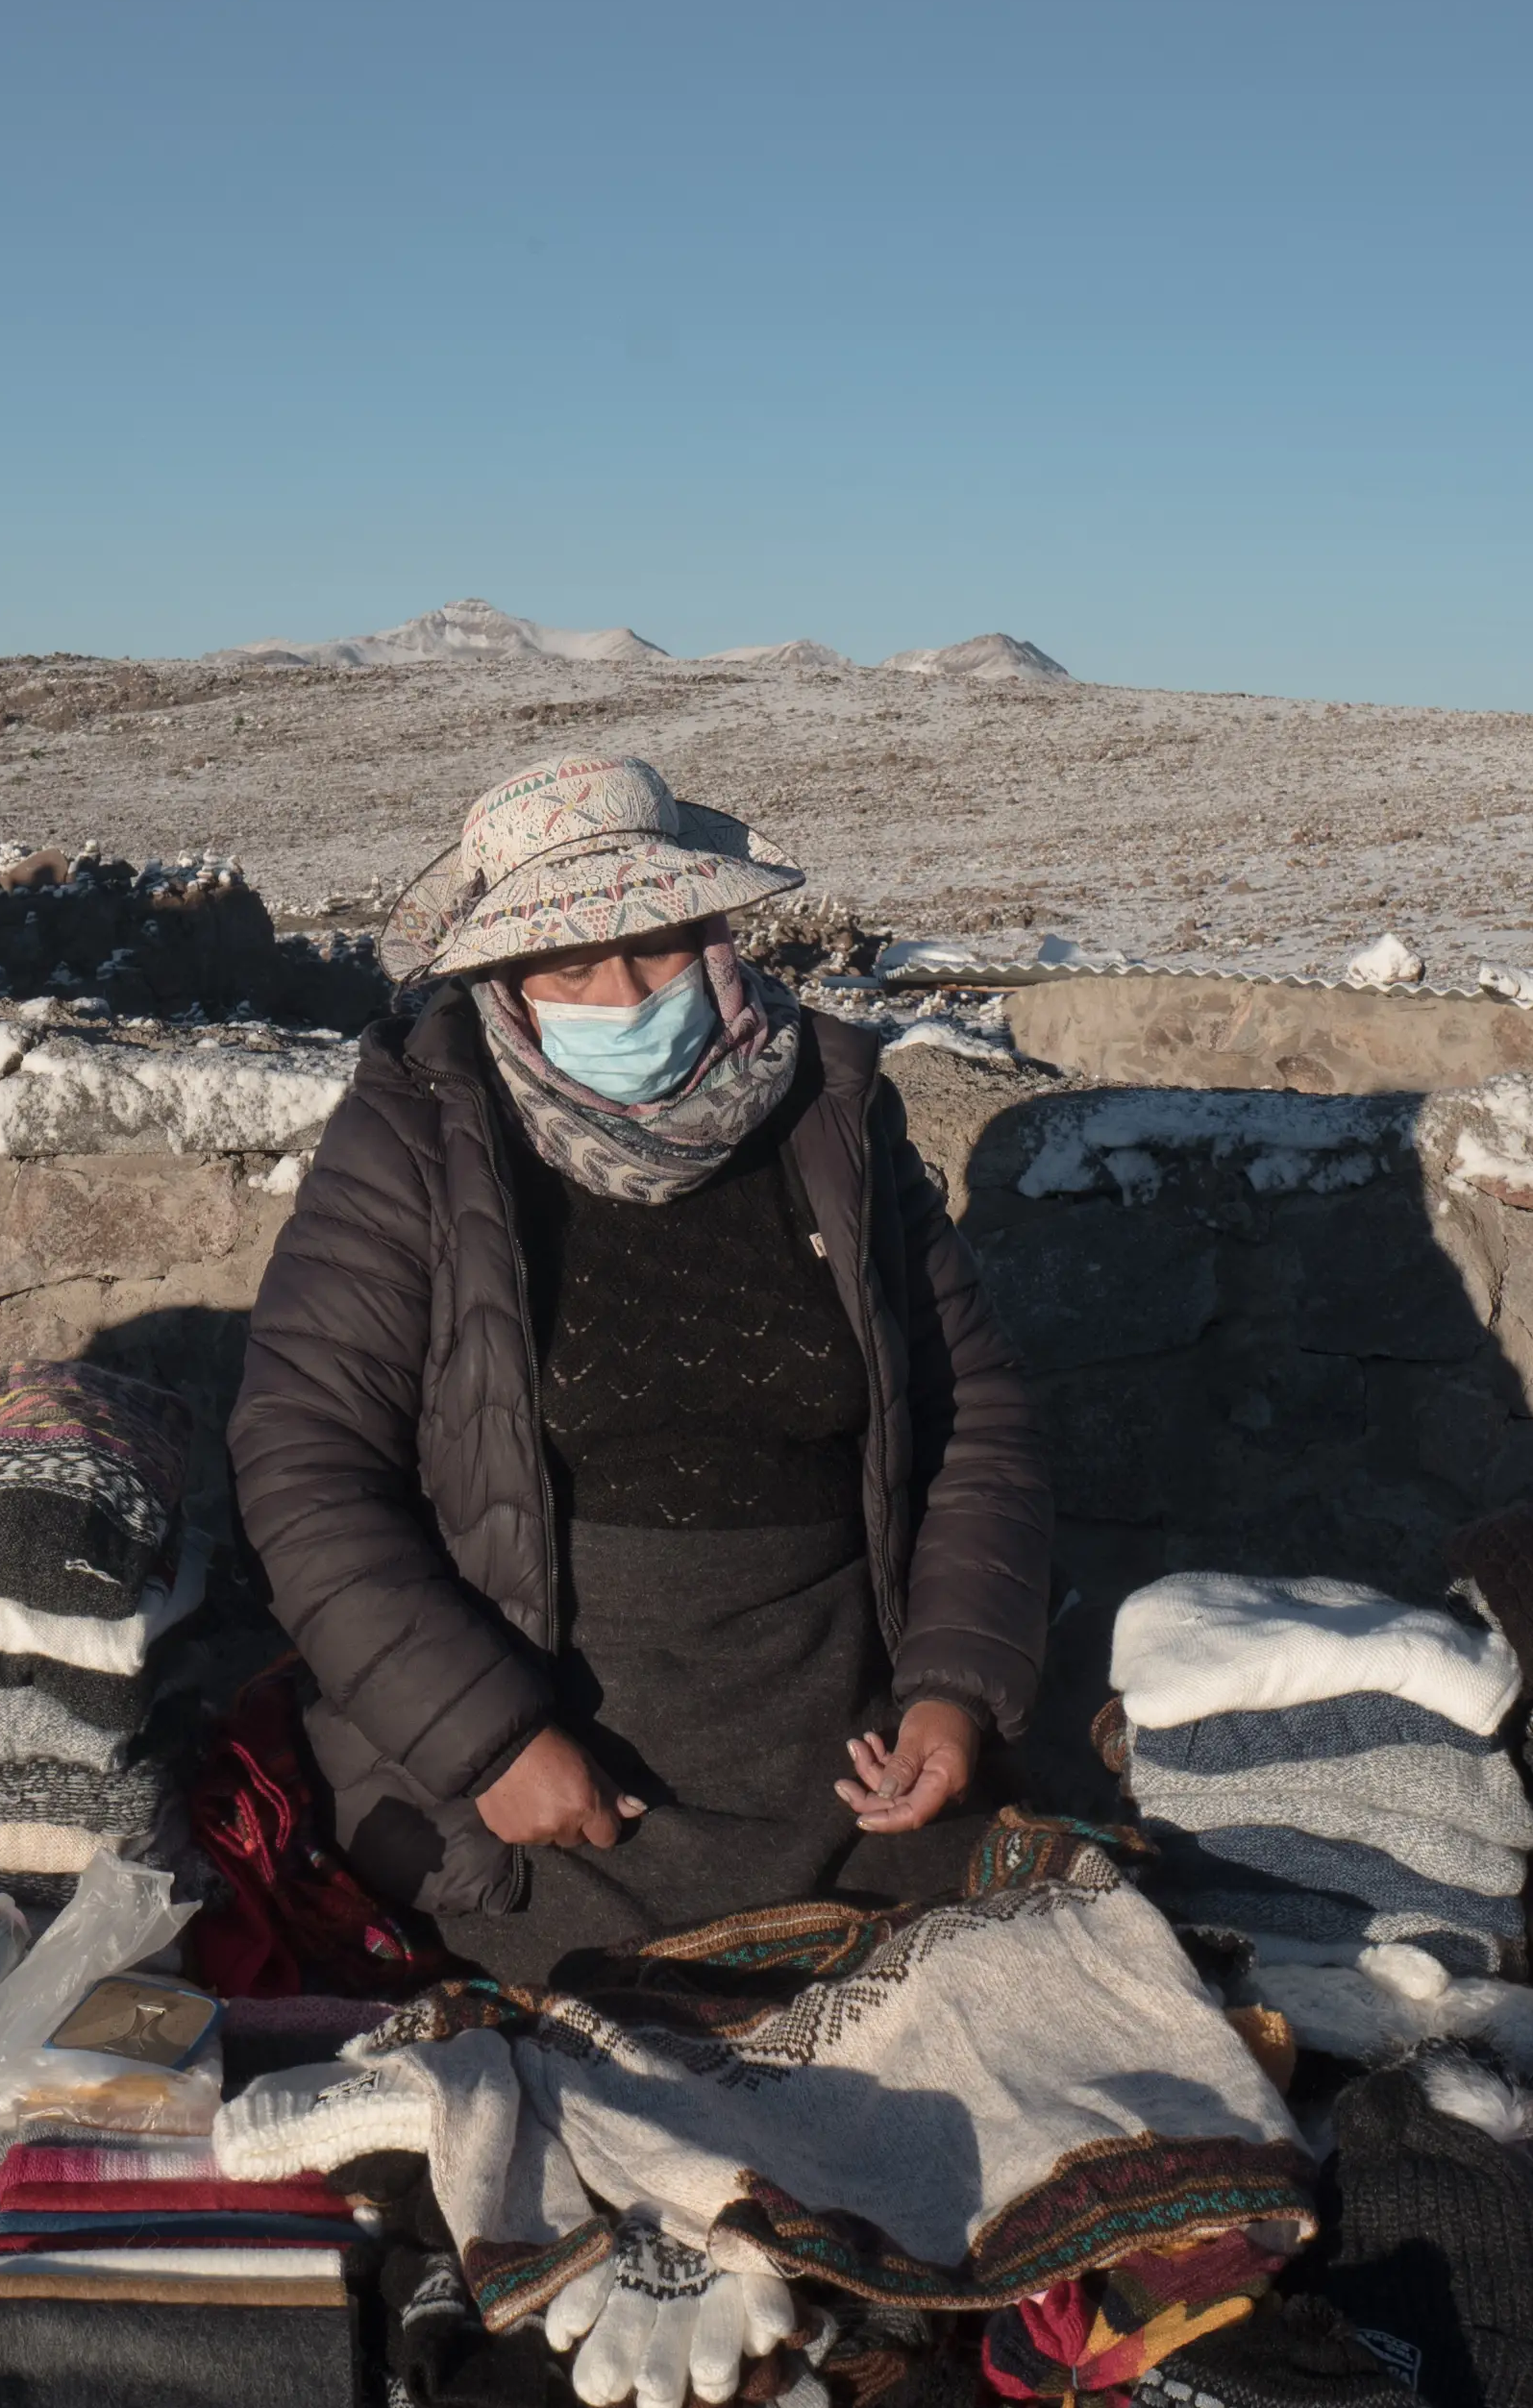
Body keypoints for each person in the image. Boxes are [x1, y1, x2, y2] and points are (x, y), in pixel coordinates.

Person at [231, 751, 1049, 1982]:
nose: (621, 990)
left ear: (716, 933)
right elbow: (304, 1463)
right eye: (571, 962)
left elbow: (973, 1418)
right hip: (551, 1792)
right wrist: (485, 1746)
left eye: (658, 944)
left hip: (848, 1763)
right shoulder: (417, 1137)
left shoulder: (829, 1114)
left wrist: (953, 1691)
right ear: (506, 973)